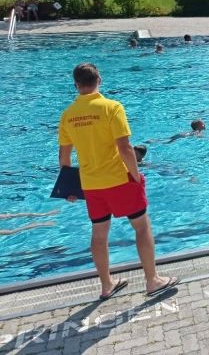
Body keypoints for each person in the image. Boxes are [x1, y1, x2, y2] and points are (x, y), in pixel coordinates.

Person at [58, 63, 178, 299]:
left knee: (99, 234)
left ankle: (106, 286)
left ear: (76, 85)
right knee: (142, 227)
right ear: (99, 80)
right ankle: (152, 280)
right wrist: (135, 175)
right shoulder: (112, 107)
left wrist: (69, 188)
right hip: (119, 180)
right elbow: (124, 148)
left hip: (91, 184)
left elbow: (64, 157)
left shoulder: (68, 115)